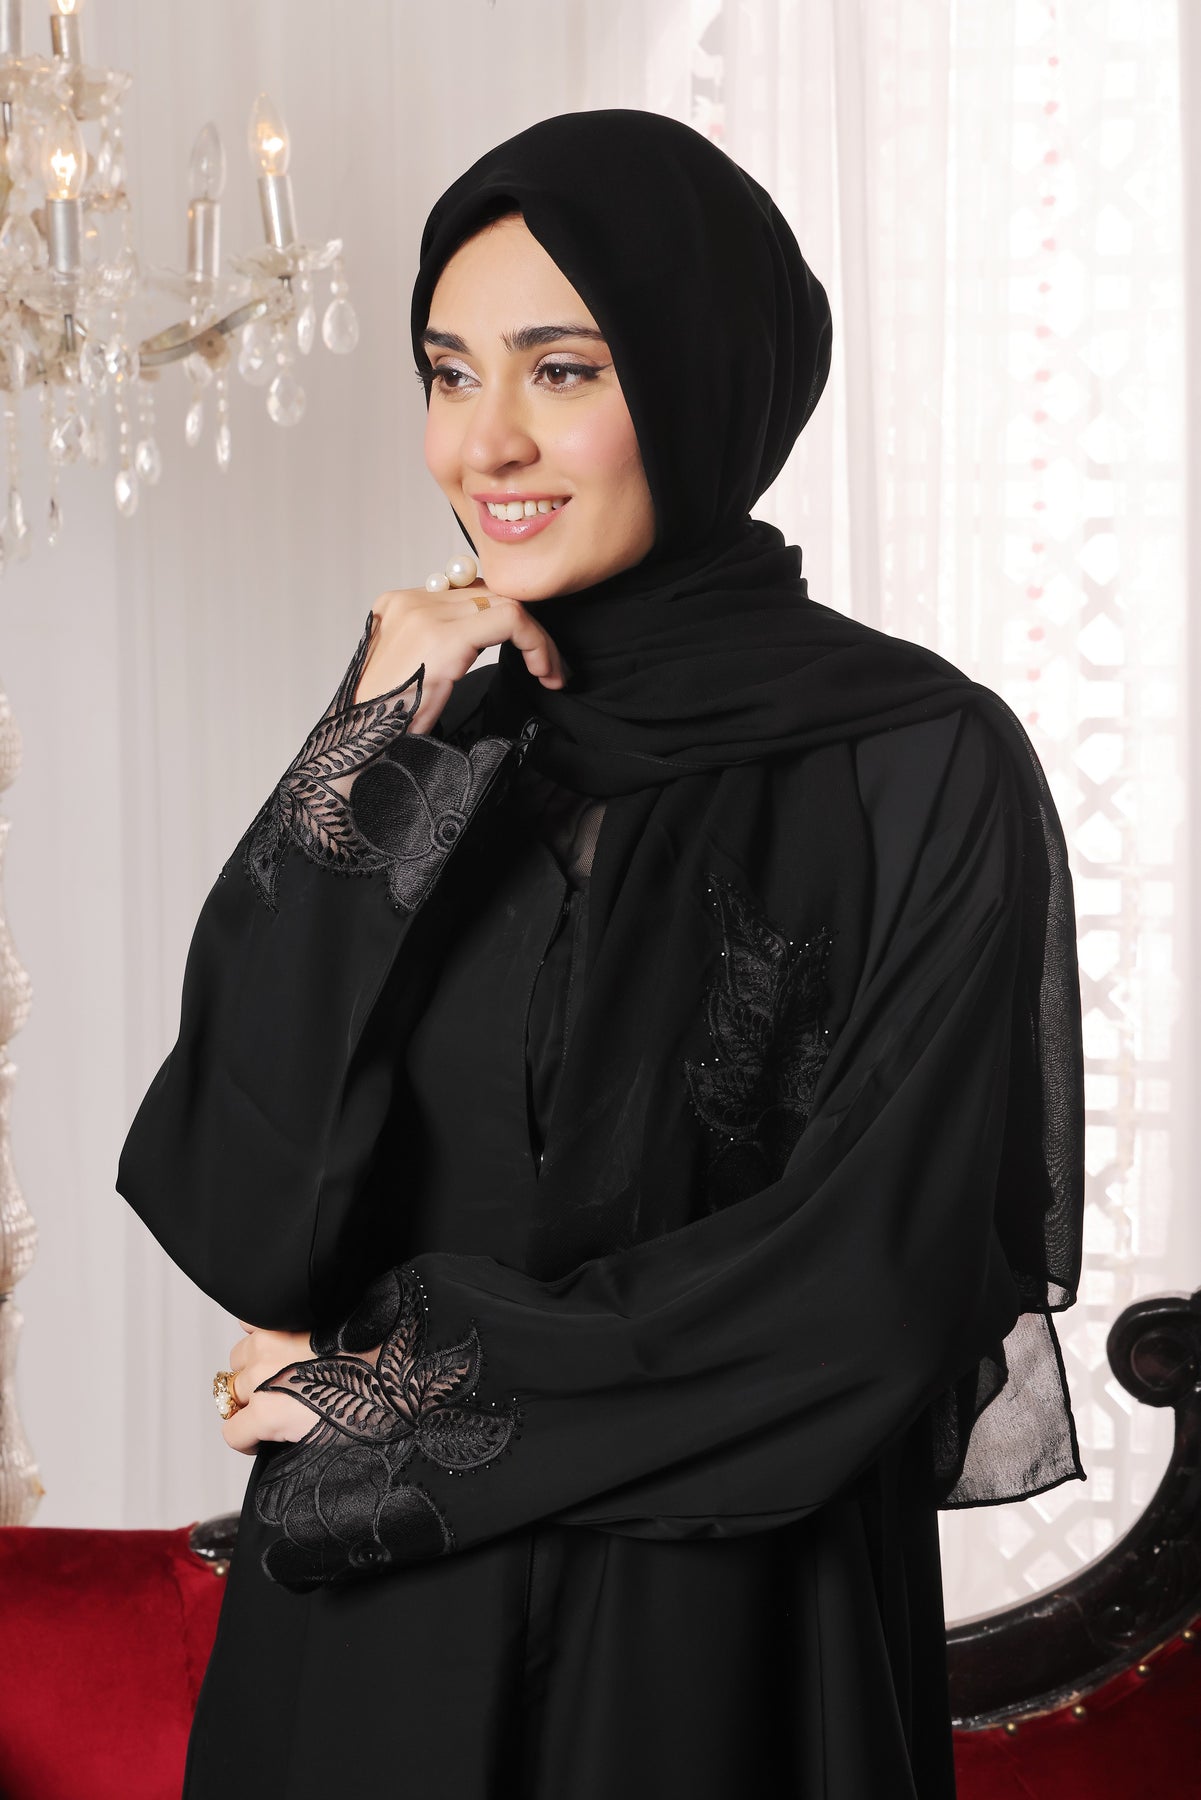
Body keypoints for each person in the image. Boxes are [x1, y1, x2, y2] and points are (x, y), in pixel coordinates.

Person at [116, 108, 1087, 1799]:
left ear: (708, 384)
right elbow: (238, 1210)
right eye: (446, 373)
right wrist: (361, 755)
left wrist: (397, 1393)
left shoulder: (918, 761)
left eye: (561, 370)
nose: (483, 442)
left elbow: (873, 1283)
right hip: (369, 1660)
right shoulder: (435, 748)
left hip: (715, 1652)